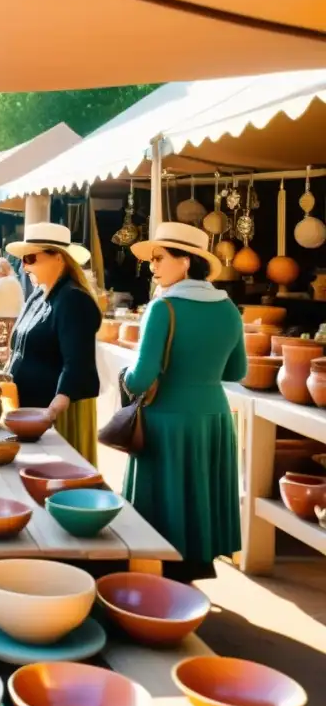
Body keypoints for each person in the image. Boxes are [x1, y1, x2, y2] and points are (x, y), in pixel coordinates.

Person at [122, 222, 244, 583]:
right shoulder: (229, 309)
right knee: (199, 495)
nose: (153, 266)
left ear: (187, 262)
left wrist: (128, 373)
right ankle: (195, 565)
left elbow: (139, 379)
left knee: (163, 504)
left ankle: (159, 575)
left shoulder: (164, 308)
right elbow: (236, 370)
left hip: (166, 420)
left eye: (160, 258)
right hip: (213, 417)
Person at [5, 223, 101, 464]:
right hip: (29, 410)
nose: (23, 265)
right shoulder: (39, 293)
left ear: (58, 258)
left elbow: (77, 362)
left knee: (57, 480)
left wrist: (52, 413)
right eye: (22, 259)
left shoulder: (73, 299)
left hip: (55, 414)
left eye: (30, 258)